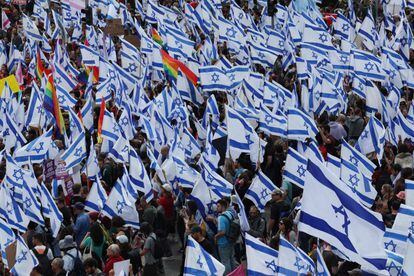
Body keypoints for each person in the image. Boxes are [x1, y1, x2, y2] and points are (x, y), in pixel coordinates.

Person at [214, 199, 236, 274]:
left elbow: (222, 232)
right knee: (232, 259)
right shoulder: (230, 213)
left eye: (218, 206)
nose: (216, 208)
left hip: (223, 242)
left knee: (225, 261)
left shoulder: (221, 217)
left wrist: (216, 237)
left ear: (223, 207)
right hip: (231, 240)